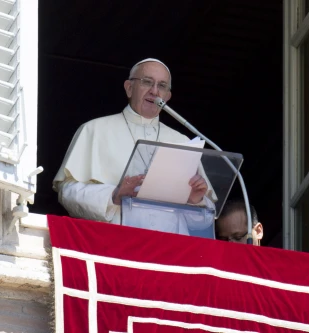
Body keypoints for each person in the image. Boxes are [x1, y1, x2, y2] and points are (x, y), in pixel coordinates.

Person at [53, 58, 215, 235]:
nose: (154, 91)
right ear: (129, 88)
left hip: (171, 249)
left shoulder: (183, 141)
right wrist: (113, 196)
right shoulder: (94, 130)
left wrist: (194, 200)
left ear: (167, 97)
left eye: (161, 86)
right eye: (147, 82)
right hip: (116, 242)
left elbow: (204, 221)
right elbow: (67, 192)